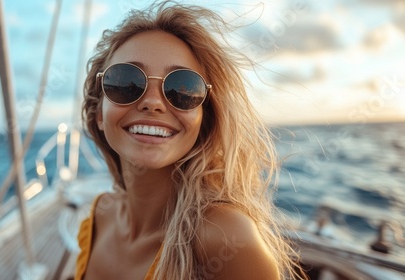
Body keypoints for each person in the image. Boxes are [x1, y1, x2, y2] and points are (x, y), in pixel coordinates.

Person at [76, 1, 305, 279]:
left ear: (203, 120)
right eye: (125, 81)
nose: (152, 102)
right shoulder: (99, 215)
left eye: (182, 88)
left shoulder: (225, 237)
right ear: (99, 113)